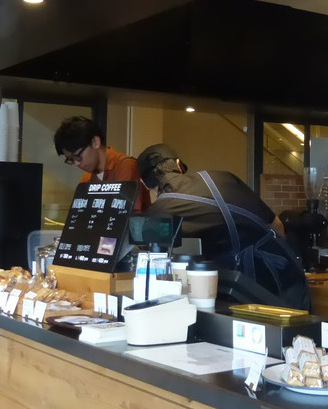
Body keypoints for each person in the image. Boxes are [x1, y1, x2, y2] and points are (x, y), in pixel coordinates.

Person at [136, 144, 310, 310]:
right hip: (285, 283)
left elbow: (153, 261)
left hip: (236, 296)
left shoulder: (158, 212)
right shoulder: (224, 178)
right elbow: (277, 226)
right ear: (178, 165)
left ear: (144, 183)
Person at [53, 116, 151, 212]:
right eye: (71, 160)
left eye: (78, 157)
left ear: (95, 142)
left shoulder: (126, 166)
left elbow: (125, 213)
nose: (77, 163)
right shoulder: (86, 179)